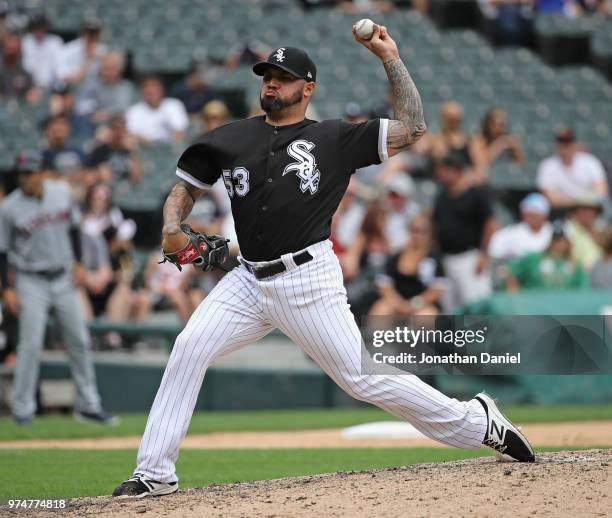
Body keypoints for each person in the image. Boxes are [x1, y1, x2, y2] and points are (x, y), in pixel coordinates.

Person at [113, 26, 534, 498]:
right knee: (189, 347)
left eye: (283, 76)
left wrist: (389, 58)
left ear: (307, 88)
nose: (271, 83)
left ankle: (477, 421)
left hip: (307, 280)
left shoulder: (333, 138)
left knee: (360, 379)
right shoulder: (230, 138)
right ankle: (155, 472)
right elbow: (186, 188)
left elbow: (413, 128)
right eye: (267, 75)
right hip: (248, 280)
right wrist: (173, 223)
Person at [0, 150, 117, 426]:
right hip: (31, 279)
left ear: (42, 172)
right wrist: (6, 289)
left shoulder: (61, 192)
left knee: (79, 339)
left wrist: (78, 262)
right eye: (23, 174)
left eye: (31, 172)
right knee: (30, 345)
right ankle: (22, 411)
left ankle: (89, 406)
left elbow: (75, 229)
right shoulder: (9, 208)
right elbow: (2, 253)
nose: (27, 178)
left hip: (63, 275)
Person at [433, 153, 497, 308]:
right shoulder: (441, 196)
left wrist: (484, 254)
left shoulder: (476, 194)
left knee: (475, 306)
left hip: (470, 258)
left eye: (443, 170)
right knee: (450, 308)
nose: (439, 174)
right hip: (446, 258)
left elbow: (491, 224)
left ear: (455, 170)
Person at [370, 214, 445, 316]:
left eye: (421, 231)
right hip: (397, 301)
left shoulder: (433, 257)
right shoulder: (397, 255)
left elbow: (437, 290)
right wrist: (398, 304)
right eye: (414, 230)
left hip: (422, 304)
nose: (417, 235)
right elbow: (384, 284)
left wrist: (415, 304)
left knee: (425, 316)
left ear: (429, 234)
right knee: (380, 311)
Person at [536, 127, 608, 208]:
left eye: (568, 142)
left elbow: (601, 190)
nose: (565, 146)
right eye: (562, 142)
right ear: (556, 144)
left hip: (589, 209)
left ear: (574, 144)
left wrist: (582, 201)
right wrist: (578, 202)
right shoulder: (547, 165)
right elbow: (552, 199)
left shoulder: (590, 161)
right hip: (562, 211)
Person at [507, 222, 589, 290]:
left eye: (562, 240)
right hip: (533, 305)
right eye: (555, 240)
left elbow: (583, 290)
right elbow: (511, 272)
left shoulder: (576, 265)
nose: (558, 244)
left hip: (566, 306)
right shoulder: (534, 258)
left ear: (568, 242)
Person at [488, 192, 552, 261]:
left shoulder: (554, 232)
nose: (531, 217)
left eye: (535, 214)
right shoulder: (510, 233)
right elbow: (494, 253)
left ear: (545, 215)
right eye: (528, 213)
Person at [126, 75, 189, 144]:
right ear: (141, 91)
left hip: (171, 149)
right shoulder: (134, 110)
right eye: (146, 87)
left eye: (155, 86)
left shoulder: (174, 105)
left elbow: (180, 130)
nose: (151, 90)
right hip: (145, 148)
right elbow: (132, 134)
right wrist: (152, 146)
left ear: (162, 89)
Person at [471, 107, 524, 180]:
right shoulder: (478, 140)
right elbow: (481, 163)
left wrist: (516, 149)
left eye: (502, 125)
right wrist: (499, 145)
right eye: (496, 124)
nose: (499, 129)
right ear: (488, 124)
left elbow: (521, 164)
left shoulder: (509, 141)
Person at [88, 115, 143, 185]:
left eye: (123, 128)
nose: (120, 133)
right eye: (116, 129)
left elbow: (137, 179)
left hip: (129, 189)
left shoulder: (131, 151)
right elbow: (104, 178)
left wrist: (132, 152)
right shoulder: (100, 151)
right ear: (110, 130)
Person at [85, 50, 135, 124]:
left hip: (117, 126)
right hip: (94, 124)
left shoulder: (126, 87)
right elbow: (86, 108)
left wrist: (105, 114)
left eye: (108, 69)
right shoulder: (95, 85)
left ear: (119, 70)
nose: (103, 72)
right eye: (103, 68)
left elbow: (122, 111)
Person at [21, 14, 64, 90]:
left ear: (46, 27)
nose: (39, 29)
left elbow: (58, 68)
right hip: (29, 87)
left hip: (51, 86)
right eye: (36, 26)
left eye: (41, 26)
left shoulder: (55, 42)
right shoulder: (25, 42)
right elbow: (26, 67)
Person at [0, 30, 40, 103]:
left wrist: (32, 94)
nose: (12, 45)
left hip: (21, 106)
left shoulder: (25, 64)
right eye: (10, 41)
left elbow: (33, 89)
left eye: (15, 42)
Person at [566, 197, 604, 271]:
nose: (587, 213)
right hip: (576, 274)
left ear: (596, 213)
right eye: (583, 209)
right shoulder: (567, 229)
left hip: (602, 275)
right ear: (575, 212)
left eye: (591, 210)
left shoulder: (603, 230)